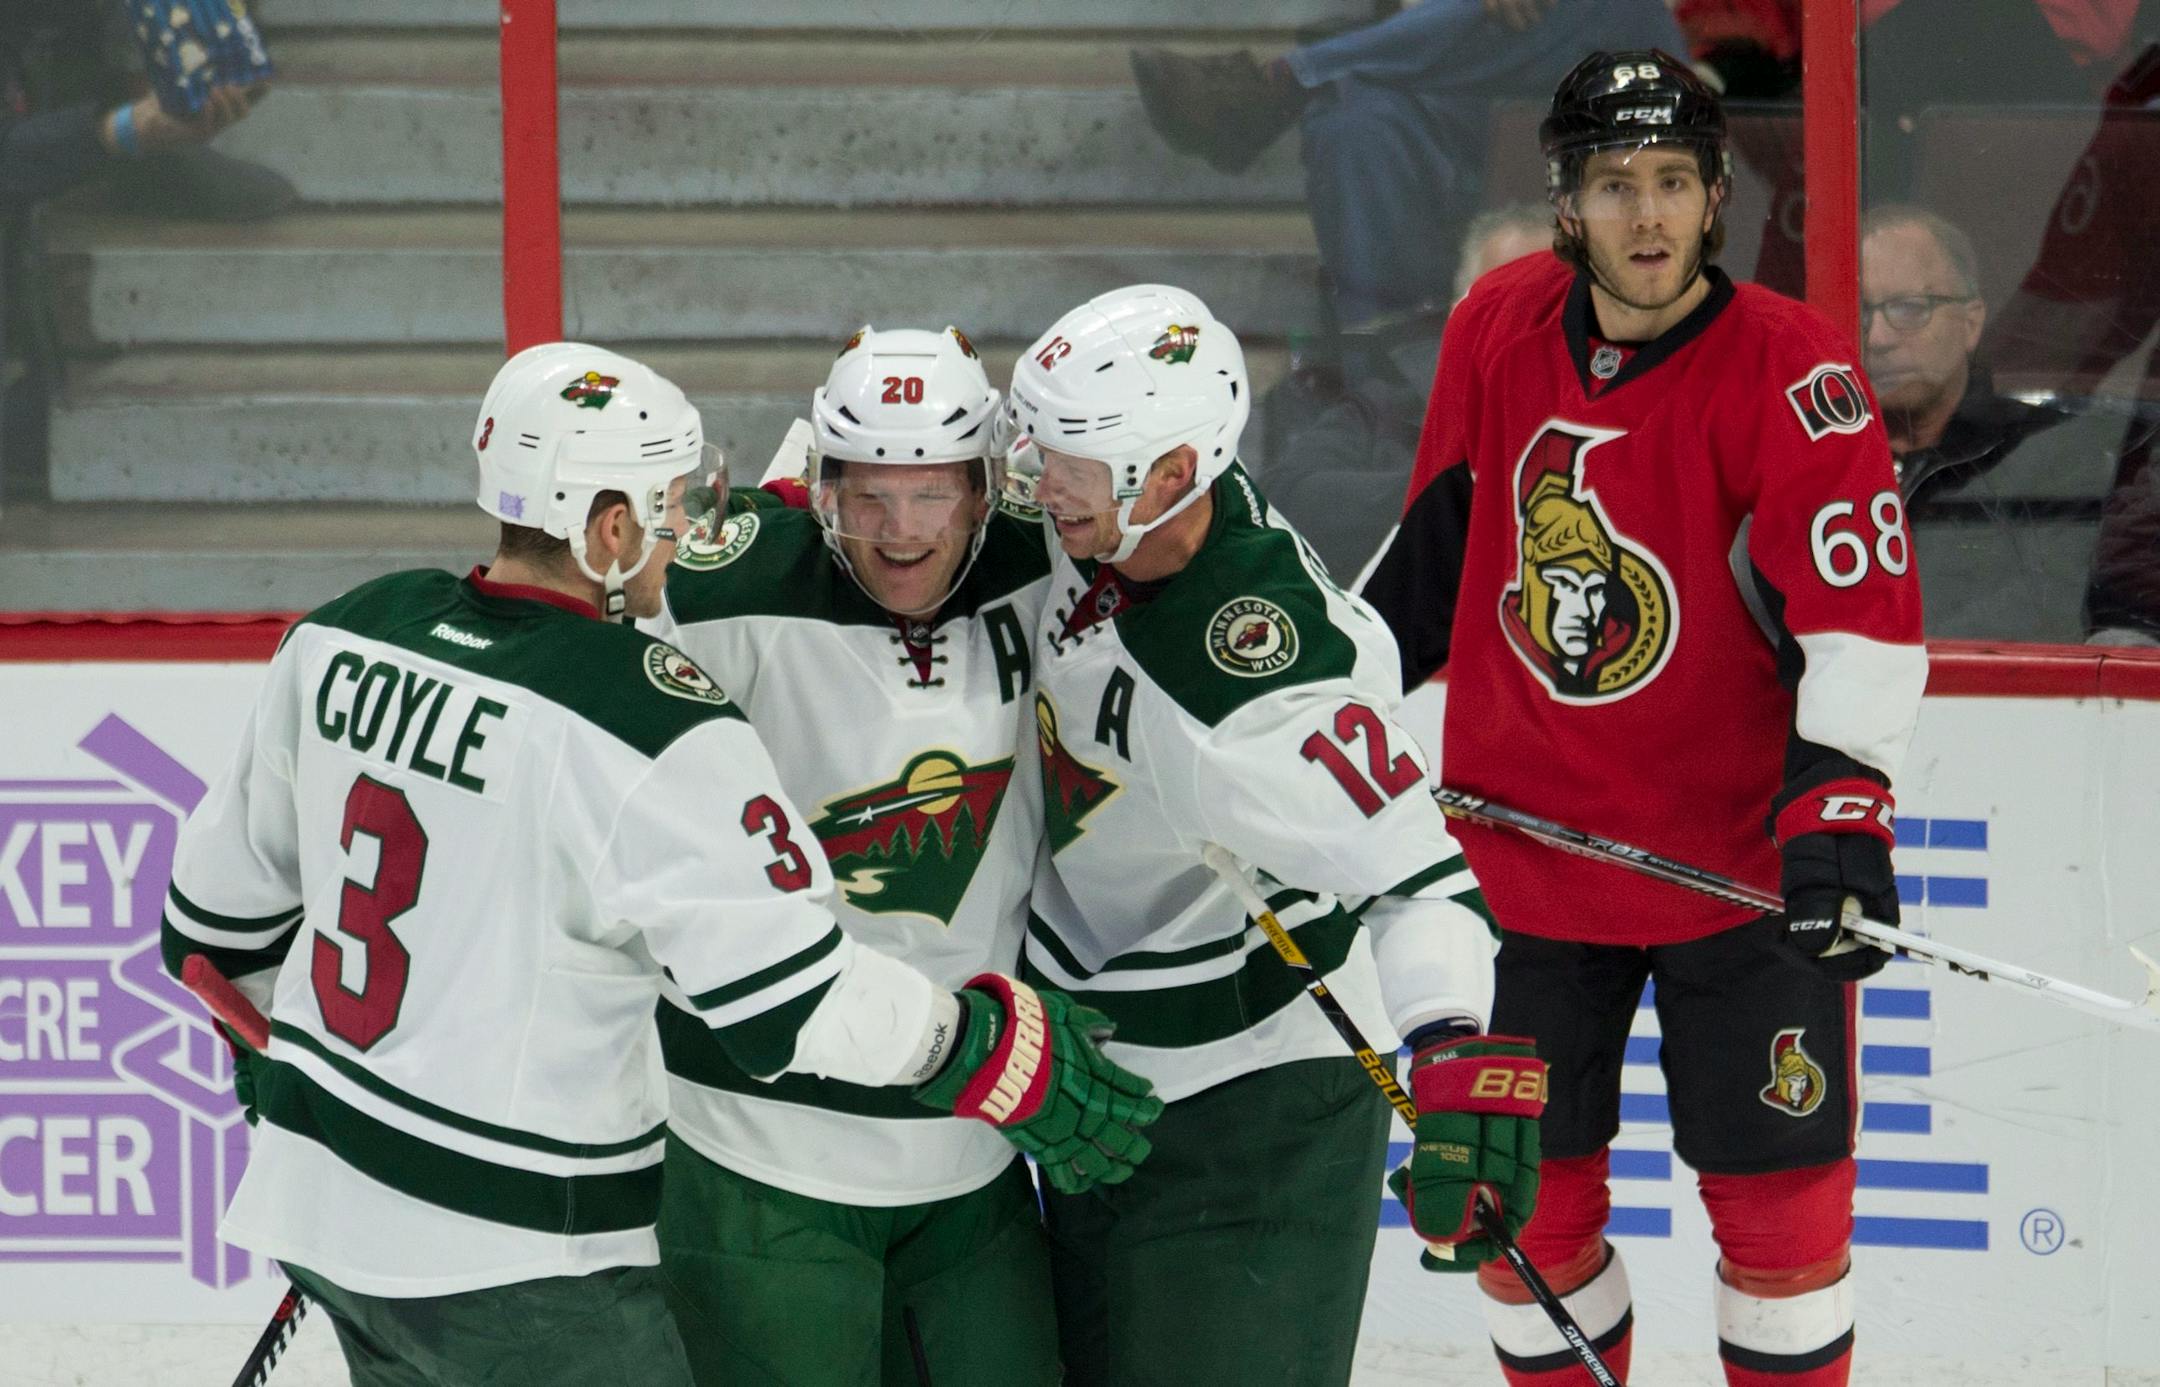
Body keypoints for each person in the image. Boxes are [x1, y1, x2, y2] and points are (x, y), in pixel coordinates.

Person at [159, 343, 1161, 1387]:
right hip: (525, 1252)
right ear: (606, 530)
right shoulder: (643, 713)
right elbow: (789, 1000)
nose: (685, 530)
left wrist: (303, 1069)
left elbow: (208, 937)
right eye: (669, 503)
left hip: (324, 1205)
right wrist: (982, 1044)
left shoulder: (344, 634)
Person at [1360, 53, 1926, 1387]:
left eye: (1675, 180)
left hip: (1734, 878)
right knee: (1517, 1230)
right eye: (1616, 184)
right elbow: (1430, 562)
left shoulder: (1796, 371)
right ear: (1567, 203)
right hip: (1524, 867)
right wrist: (1298, 726)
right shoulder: (1495, 326)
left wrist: (1839, 813)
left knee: (1785, 1240)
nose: (1650, 213)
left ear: (1719, 194)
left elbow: (1857, 619)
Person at [1004, 283, 1538, 1387]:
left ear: (1175, 472)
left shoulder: (1267, 681)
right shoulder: (1087, 524)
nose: (1040, 482)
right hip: (1089, 1080)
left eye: (1076, 461)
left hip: (1251, 1116)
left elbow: (1425, 885)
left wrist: (1451, 1060)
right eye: (1040, 444)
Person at [641, 326, 1066, 1386]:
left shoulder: (1050, 558)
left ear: (986, 486)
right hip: (754, 1151)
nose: (900, 531)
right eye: (869, 495)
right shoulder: (709, 588)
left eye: (931, 494)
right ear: (822, 485)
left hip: (973, 1145)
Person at [1130, 0, 1684, 331]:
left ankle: (1277, 86)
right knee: (1354, 120)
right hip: (1462, 79)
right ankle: (1382, 352)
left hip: (1624, 72)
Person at [1861, 204, 2145, 641]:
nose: (1876, 338)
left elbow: (2045, 609)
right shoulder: (1805, 455)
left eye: (1909, 308)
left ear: (1971, 323)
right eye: (1860, 312)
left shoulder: (2050, 452)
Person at [1252, 201, 1554, 581]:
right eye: (1493, 301)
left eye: (1540, 304)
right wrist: (1455, 492)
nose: (1514, 325)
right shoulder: (1387, 406)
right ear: (1456, 313)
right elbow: (1281, 499)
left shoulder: (1623, 421)